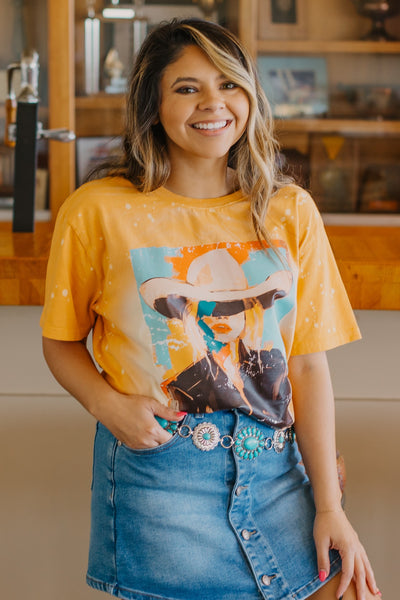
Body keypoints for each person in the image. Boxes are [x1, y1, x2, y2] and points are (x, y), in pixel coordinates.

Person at [40, 18, 381, 600]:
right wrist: (107, 405)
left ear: (250, 94)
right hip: (162, 483)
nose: (213, 103)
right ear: (152, 103)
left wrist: (330, 504)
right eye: (187, 87)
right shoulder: (97, 211)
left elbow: (306, 368)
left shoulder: (289, 210)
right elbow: (61, 341)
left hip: (282, 471)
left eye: (228, 83)